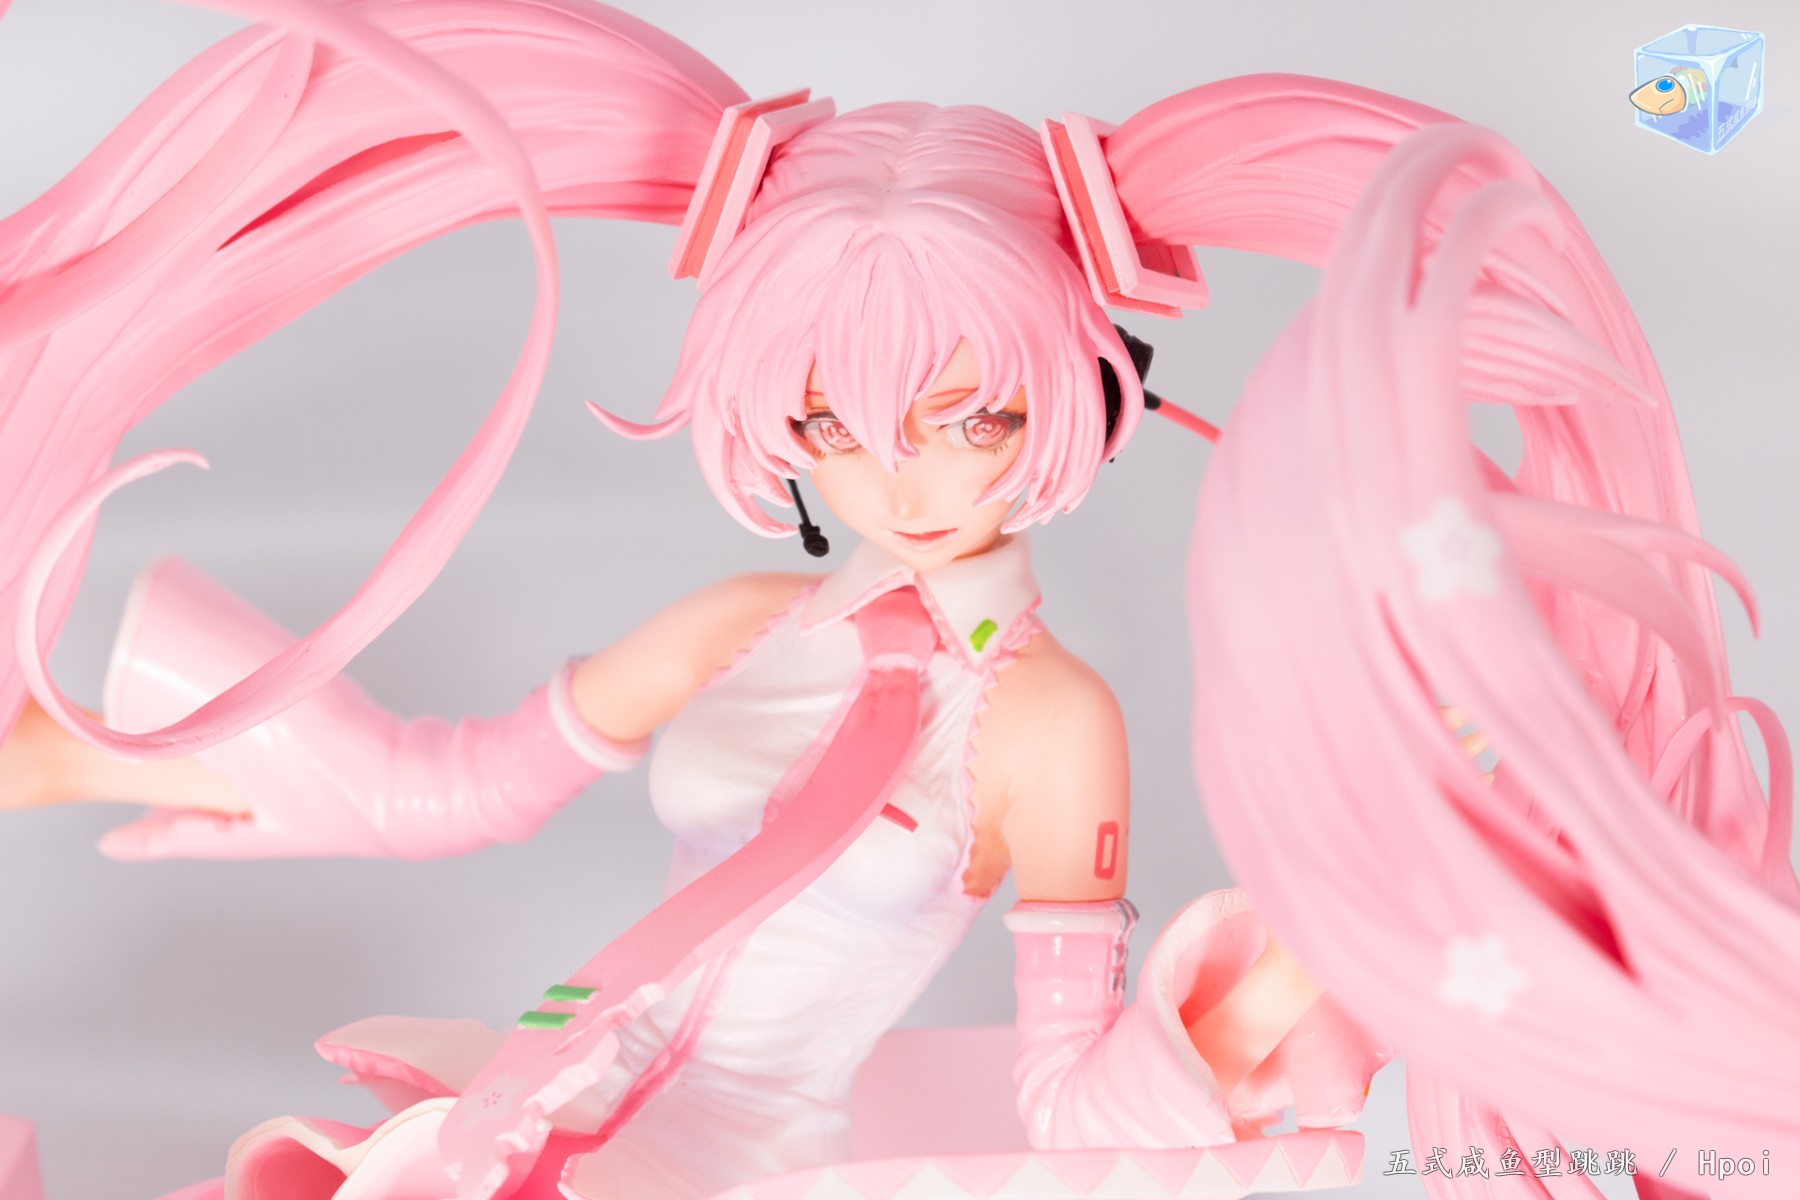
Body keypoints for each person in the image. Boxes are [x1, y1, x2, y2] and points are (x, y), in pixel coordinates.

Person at [1, 1, 1795, 1197]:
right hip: (531, 1116)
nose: (900, 484)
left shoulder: (1048, 724)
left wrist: (1281, 986)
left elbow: (1065, 1100)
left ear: (1081, 388)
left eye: (972, 421)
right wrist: (102, 749)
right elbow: (450, 786)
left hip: (744, 1168)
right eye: (829, 428)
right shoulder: (743, 624)